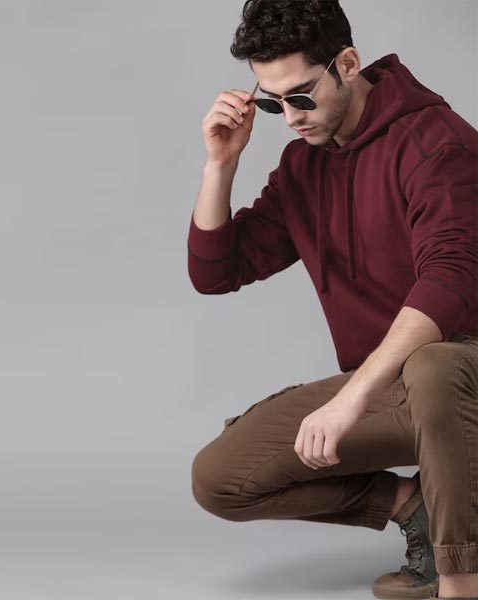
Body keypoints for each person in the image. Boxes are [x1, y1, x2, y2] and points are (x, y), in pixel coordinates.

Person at [186, 1, 478, 599]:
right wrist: (221, 165)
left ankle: (462, 579)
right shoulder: (304, 166)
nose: (291, 118)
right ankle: (419, 508)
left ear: (347, 64)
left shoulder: (435, 142)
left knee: (432, 365)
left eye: (301, 96)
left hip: (461, 373)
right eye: (273, 103)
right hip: (400, 386)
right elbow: (218, 271)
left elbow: (449, 278)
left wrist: (352, 398)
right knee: (220, 476)